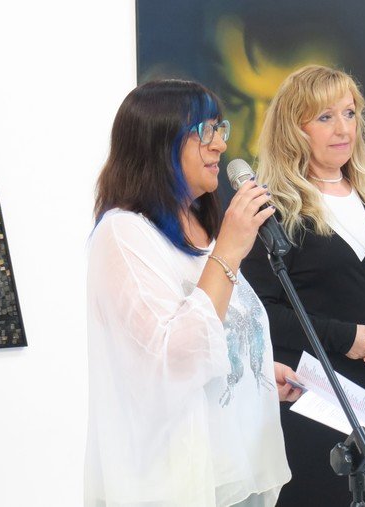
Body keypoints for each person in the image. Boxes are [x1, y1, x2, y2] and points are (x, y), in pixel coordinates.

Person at [85, 79, 301, 507]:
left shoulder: (204, 229)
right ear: (158, 142)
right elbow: (171, 359)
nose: (220, 144)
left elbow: (211, 329)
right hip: (174, 482)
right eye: (205, 130)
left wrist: (254, 369)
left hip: (234, 474)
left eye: (220, 128)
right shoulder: (124, 234)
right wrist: (229, 251)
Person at [240, 65, 365, 506]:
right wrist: (342, 337)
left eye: (349, 114)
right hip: (310, 396)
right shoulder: (272, 208)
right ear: (294, 128)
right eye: (325, 117)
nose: (343, 129)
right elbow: (260, 312)